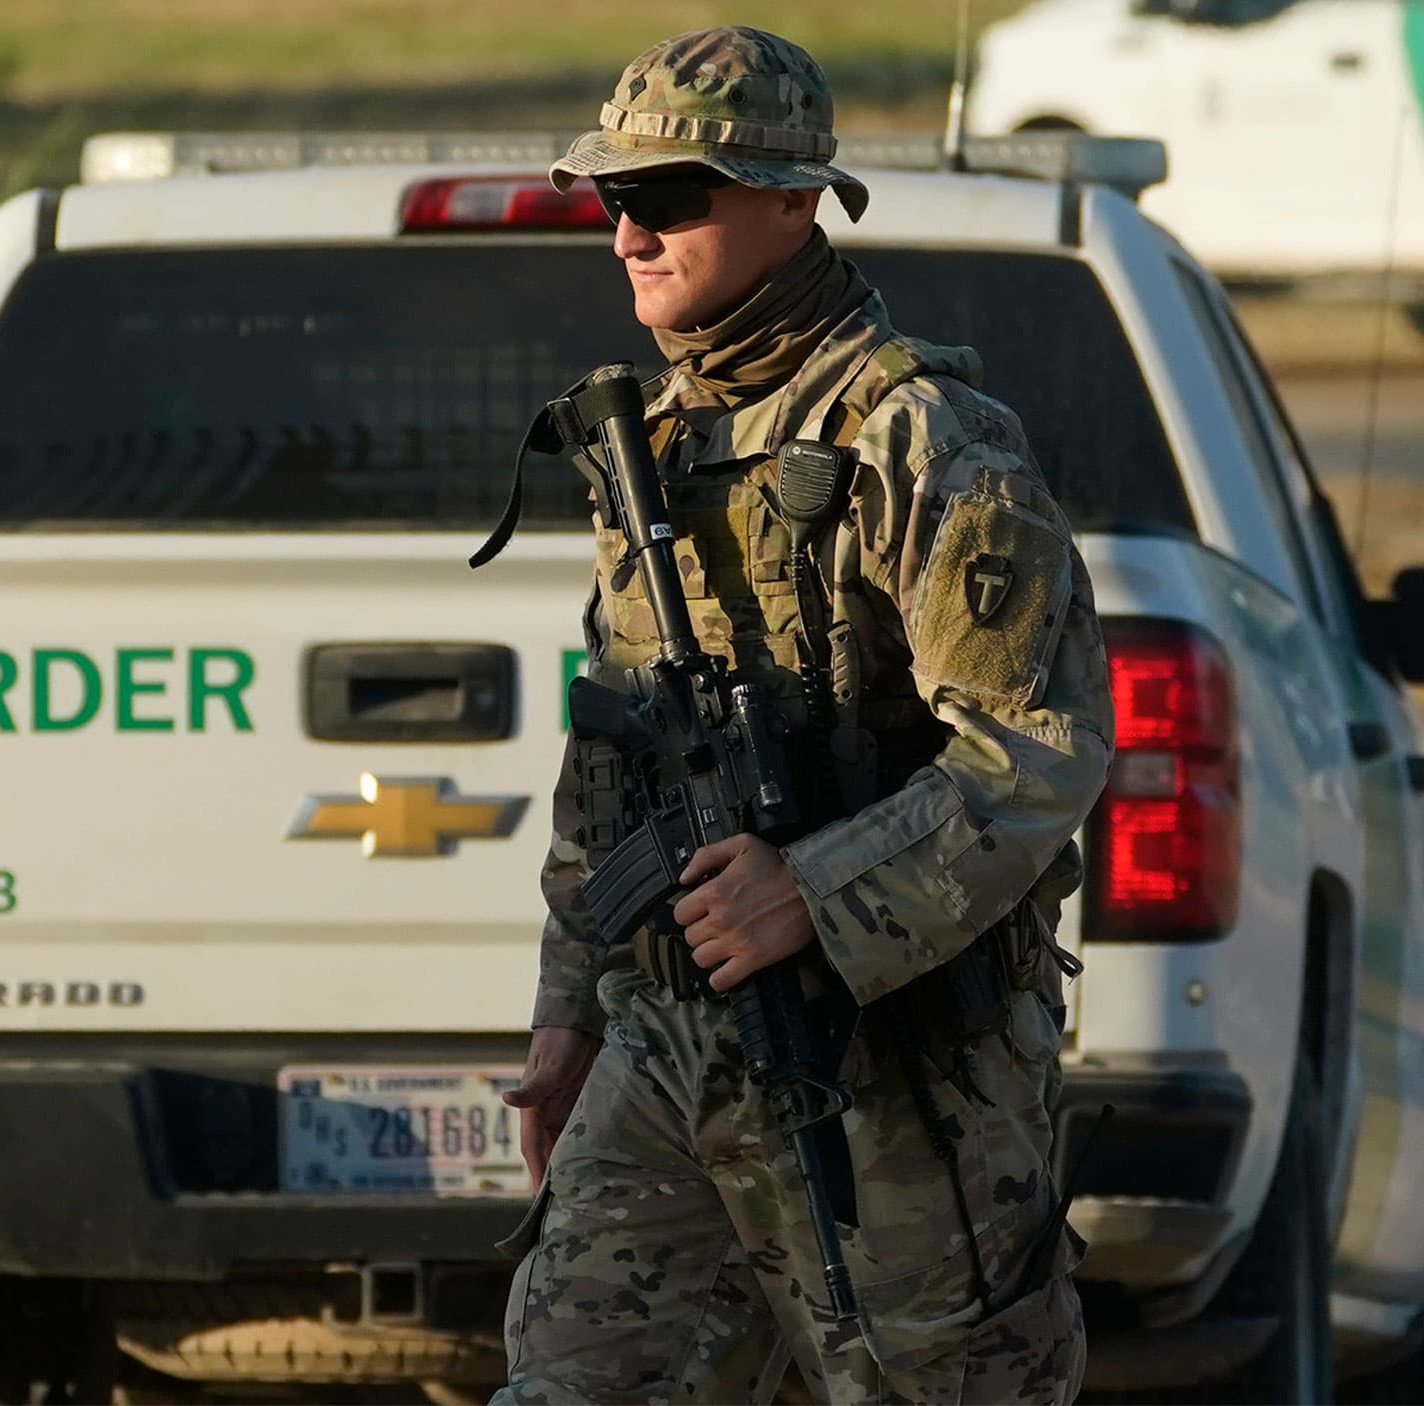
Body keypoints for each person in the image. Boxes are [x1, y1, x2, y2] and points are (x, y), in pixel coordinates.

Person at [491, 26, 1113, 1405]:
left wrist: (813, 892)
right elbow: (614, 760)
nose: (628, 238)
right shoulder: (653, 444)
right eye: (613, 200)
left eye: (667, 199)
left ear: (792, 198)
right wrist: (570, 1014)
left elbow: (1039, 749)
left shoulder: (929, 442)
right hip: (672, 1045)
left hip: (891, 1072)